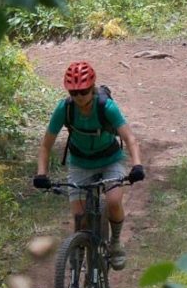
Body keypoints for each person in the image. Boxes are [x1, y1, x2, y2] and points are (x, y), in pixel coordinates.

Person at [33, 59, 145, 266]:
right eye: (73, 93)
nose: (78, 97)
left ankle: (116, 242)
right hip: (80, 163)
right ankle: (78, 249)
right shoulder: (64, 109)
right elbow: (45, 145)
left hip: (110, 160)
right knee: (79, 217)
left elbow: (130, 138)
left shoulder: (106, 107)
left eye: (83, 91)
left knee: (112, 200)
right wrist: (41, 174)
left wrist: (137, 165)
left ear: (92, 88)